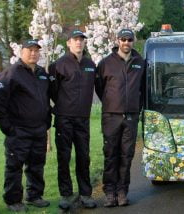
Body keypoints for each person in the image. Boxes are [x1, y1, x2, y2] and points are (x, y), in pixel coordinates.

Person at [0, 39, 52, 212]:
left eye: (36, 50)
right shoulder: (12, 73)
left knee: (36, 164)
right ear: (21, 52)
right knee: (14, 166)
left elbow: (46, 97)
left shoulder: (42, 73)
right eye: (30, 50)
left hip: (39, 129)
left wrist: (47, 121)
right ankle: (13, 200)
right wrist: (8, 128)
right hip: (19, 130)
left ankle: (34, 195)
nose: (33, 53)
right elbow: (0, 101)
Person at [95, 29, 146, 207]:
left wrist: (135, 108)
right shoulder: (105, 63)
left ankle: (122, 191)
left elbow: (143, 89)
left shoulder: (140, 63)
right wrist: (112, 104)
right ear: (117, 41)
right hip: (111, 116)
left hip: (131, 116)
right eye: (123, 39)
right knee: (111, 155)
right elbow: (100, 88)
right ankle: (110, 192)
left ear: (134, 41)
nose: (126, 43)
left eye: (129, 39)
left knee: (127, 155)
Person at [48, 30, 97, 209]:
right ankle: (66, 194)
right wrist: (63, 108)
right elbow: (52, 91)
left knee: (84, 157)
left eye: (81, 40)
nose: (78, 43)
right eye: (75, 40)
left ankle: (85, 194)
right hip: (64, 119)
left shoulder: (90, 64)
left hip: (83, 119)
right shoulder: (58, 65)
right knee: (64, 157)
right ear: (68, 43)